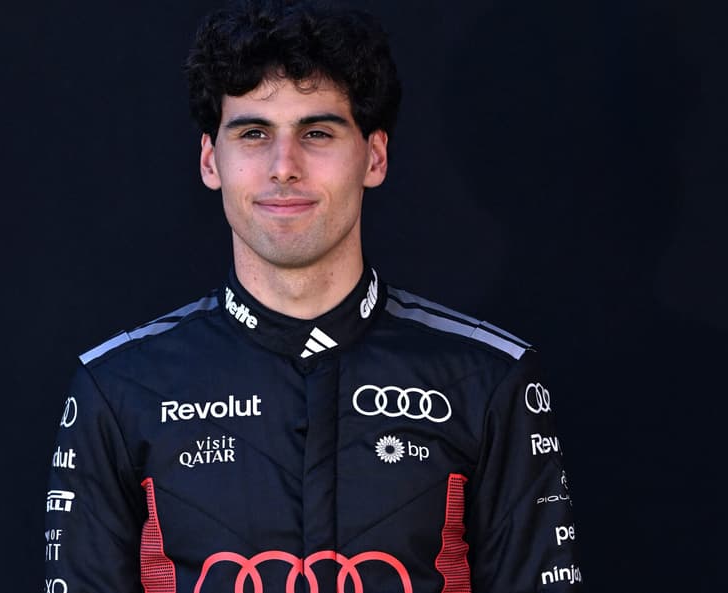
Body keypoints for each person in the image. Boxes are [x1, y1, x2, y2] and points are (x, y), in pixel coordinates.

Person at [44, 1, 580, 592]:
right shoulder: (118, 389)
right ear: (209, 160)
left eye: (317, 132)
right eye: (253, 133)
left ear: (373, 157)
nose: (284, 167)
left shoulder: (489, 380)